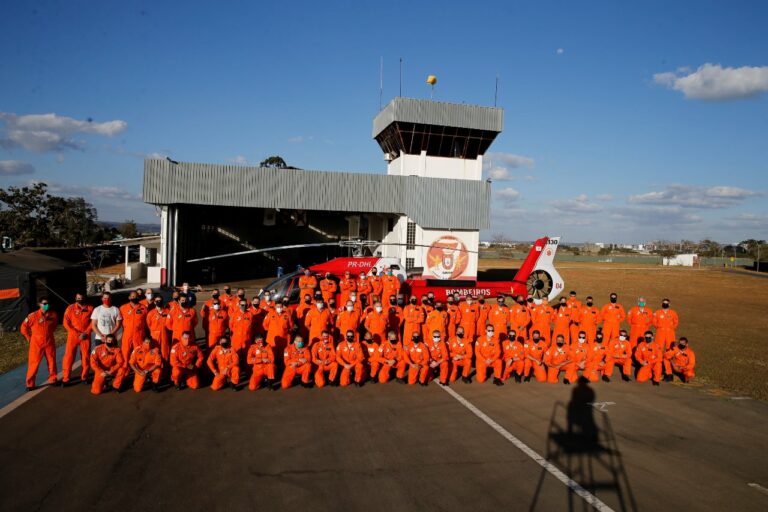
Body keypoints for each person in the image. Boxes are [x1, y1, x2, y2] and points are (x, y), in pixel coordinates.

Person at [20, 298, 59, 390]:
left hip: (49, 342)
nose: (47, 305)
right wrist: (29, 338)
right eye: (44, 303)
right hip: (36, 343)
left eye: (48, 303)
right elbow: (23, 328)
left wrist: (48, 334)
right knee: (34, 364)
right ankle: (30, 384)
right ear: (39, 304)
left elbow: (54, 326)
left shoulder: (53, 314)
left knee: (52, 361)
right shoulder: (32, 316)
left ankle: (53, 379)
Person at [62, 293, 93, 385]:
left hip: (85, 336)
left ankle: (84, 377)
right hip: (73, 336)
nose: (80, 299)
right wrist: (76, 333)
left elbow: (93, 321)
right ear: (75, 298)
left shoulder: (90, 308)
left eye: (82, 298)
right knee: (69, 357)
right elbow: (66, 323)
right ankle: (66, 378)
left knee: (86, 357)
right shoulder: (70, 308)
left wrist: (86, 332)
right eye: (78, 298)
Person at [120, 291, 149, 363]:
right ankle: (125, 368)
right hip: (127, 334)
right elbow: (119, 321)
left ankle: (139, 369)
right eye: (132, 296)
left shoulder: (143, 308)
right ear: (129, 297)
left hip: (139, 334)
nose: (134, 298)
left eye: (136, 296)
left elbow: (147, 322)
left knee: (139, 352)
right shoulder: (123, 308)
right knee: (125, 352)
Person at [147, 296, 172, 362]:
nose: (159, 302)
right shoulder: (151, 313)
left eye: (160, 300)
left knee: (165, 353)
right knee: (155, 353)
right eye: (157, 301)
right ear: (154, 302)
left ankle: (165, 369)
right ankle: (156, 369)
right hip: (155, 337)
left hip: (165, 335)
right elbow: (149, 324)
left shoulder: (168, 312)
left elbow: (171, 323)